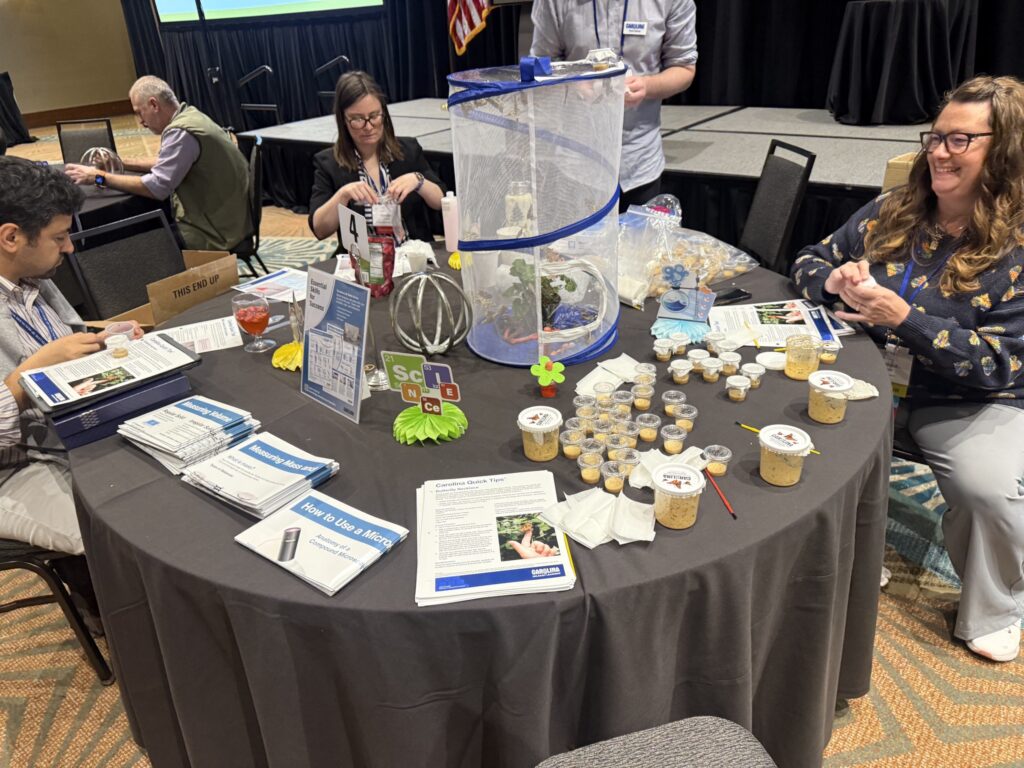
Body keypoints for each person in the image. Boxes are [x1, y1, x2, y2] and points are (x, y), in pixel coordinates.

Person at [791, 75, 1024, 663]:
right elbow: (809, 259)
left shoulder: (1018, 246)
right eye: (935, 137)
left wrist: (904, 318)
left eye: (960, 140)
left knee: (988, 489)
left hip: (967, 399)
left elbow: (997, 363)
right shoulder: (895, 210)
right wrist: (831, 281)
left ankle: (996, 606)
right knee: (786, 421)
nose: (939, 152)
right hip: (872, 375)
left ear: (1006, 149)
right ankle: (854, 552)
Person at [0, 158, 140, 626]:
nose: (70, 247)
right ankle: (119, 617)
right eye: (59, 237)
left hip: (67, 433)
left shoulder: (31, 278)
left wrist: (103, 338)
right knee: (129, 527)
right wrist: (31, 374)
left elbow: (67, 337)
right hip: (15, 469)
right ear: (11, 237)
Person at [530, 0, 697, 210]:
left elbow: (684, 68)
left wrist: (646, 86)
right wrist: (574, 86)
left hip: (639, 161)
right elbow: (539, 66)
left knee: (638, 232)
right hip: (577, 159)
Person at [64, 76, 251, 252]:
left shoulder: (181, 132)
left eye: (139, 112)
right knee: (145, 219)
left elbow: (157, 188)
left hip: (217, 232)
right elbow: (164, 163)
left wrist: (98, 177)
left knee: (132, 243)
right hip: (231, 219)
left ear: (154, 104)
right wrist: (119, 162)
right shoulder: (191, 116)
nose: (140, 121)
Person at [309, 71, 445, 246]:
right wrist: (342, 195)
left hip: (412, 253)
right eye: (357, 119)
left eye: (374, 116)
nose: (368, 127)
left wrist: (419, 181)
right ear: (343, 120)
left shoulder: (408, 150)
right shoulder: (329, 163)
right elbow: (320, 229)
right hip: (362, 258)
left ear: (384, 114)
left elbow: (441, 201)